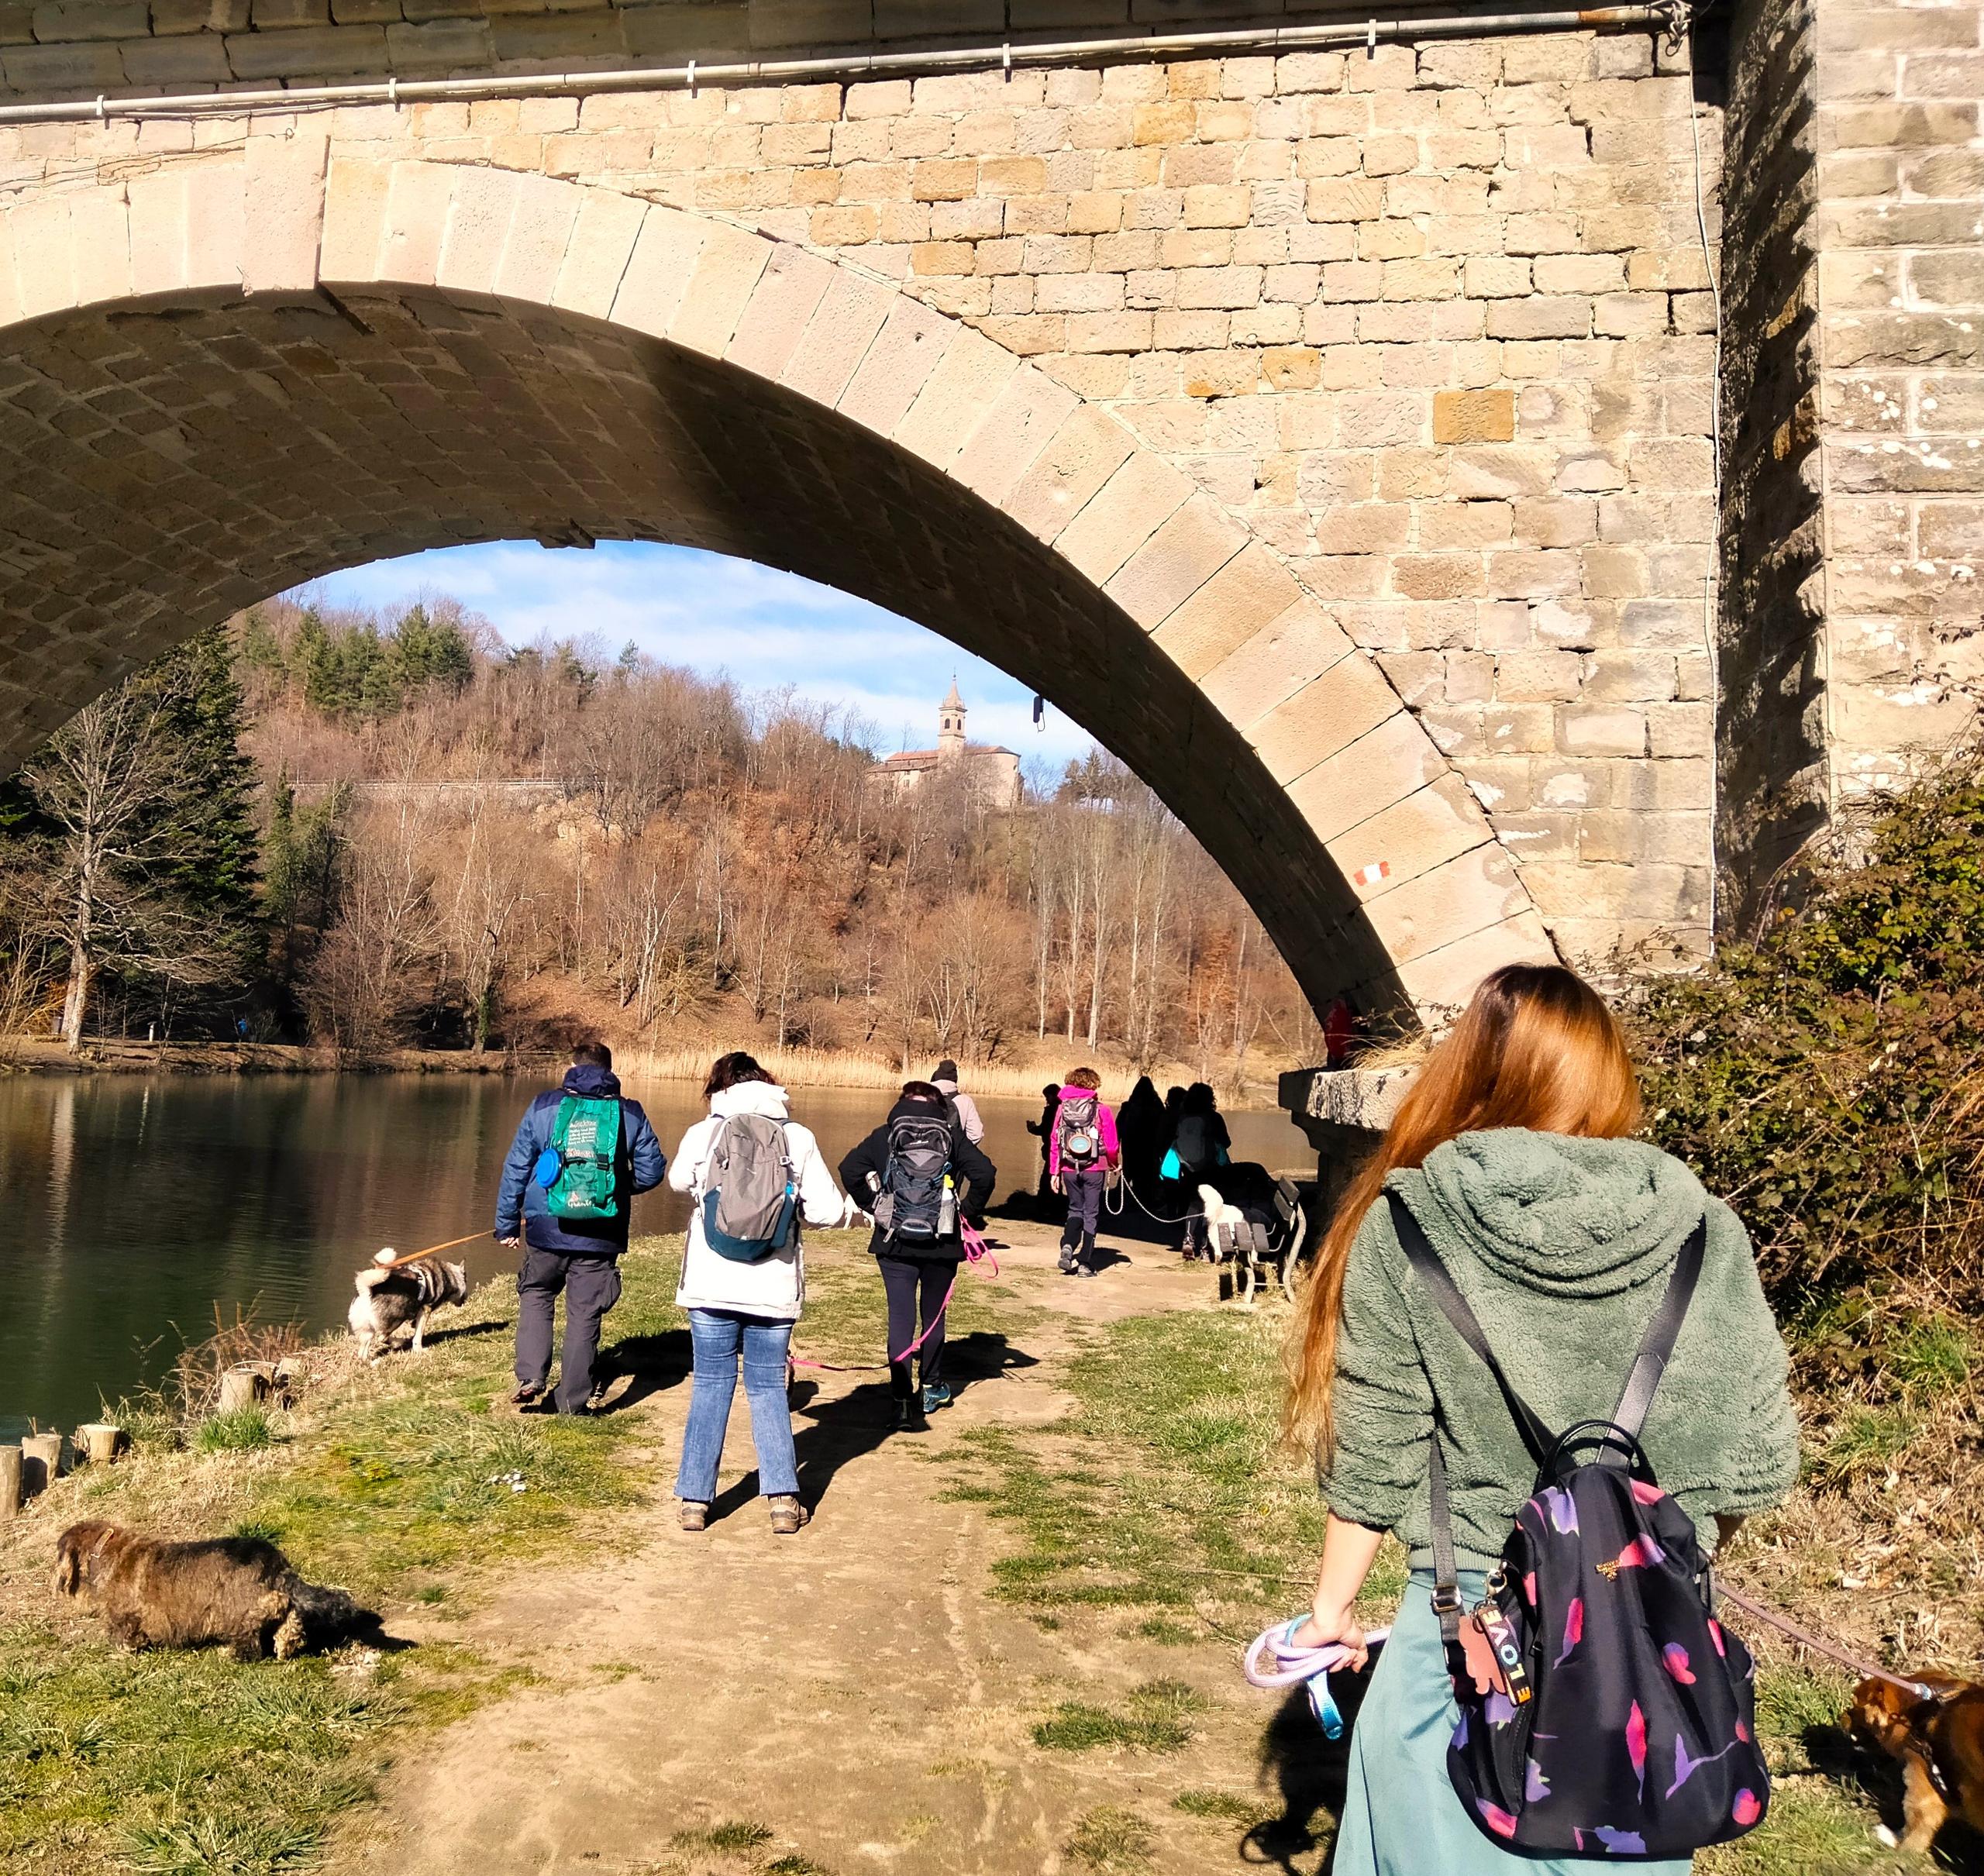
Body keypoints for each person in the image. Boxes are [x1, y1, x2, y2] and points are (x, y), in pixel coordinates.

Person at [1283, 964, 1800, 1876]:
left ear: (1466, 1074)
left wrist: (1328, 1613)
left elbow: (1378, 1456)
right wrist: (1642, 1571)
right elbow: (1750, 1462)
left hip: (1461, 1640)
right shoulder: (1705, 1230)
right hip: (1641, 1674)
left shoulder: (1409, 1224)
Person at [668, 1052, 842, 1534]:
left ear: (718, 1088)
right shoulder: (797, 1136)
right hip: (773, 1286)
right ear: (769, 1085)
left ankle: (694, 1502)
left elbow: (678, 1181)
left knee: (709, 1386)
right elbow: (826, 1211)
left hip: (710, 1285)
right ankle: (784, 1501)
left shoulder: (704, 1133)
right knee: (767, 1388)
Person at [496, 1040, 666, 1416]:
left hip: (546, 1224)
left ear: (572, 1066)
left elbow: (517, 1169)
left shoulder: (544, 1106)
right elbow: (653, 1170)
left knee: (537, 1293)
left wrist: (507, 1223)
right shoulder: (630, 1112)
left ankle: (531, 1377)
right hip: (600, 1231)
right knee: (584, 1312)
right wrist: (615, 1190)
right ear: (610, 1068)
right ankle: (572, 1401)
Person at [839, 1081, 996, 1429]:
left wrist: (875, 1206)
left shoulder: (886, 1134)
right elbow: (985, 1174)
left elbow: (849, 1170)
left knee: (901, 1317)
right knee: (933, 1317)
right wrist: (964, 1211)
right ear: (940, 1107)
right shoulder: (951, 1135)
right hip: (942, 1241)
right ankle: (930, 1388)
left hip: (894, 1240)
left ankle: (900, 1399)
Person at [1047, 1067, 1119, 1279]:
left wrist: (1054, 1171)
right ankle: (1085, 1264)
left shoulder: (1061, 1109)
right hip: (1095, 1168)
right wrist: (1114, 1164)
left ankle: (1068, 1246)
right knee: (1091, 1214)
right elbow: (1112, 1145)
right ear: (1093, 1084)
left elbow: (1055, 1140)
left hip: (1069, 1167)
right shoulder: (1102, 1110)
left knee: (1074, 1210)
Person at [1169, 1081, 1231, 1259]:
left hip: (1187, 1167)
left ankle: (1188, 1238)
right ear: (1210, 1099)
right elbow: (1226, 1142)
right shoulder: (1214, 1118)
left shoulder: (1181, 1117)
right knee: (1209, 1204)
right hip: (1210, 1166)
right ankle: (1205, 1247)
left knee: (1193, 1203)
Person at [929, 1058, 985, 1145]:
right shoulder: (965, 1101)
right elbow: (976, 1134)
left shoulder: (920, 1097)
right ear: (955, 1080)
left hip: (924, 1154)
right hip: (953, 1154)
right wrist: (960, 1149)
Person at [1027, 1081, 1061, 1213]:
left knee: (1047, 1178)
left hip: (1052, 1150)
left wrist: (1033, 1129)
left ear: (1052, 1096)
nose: (1046, 1100)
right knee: (1057, 1177)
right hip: (1064, 1150)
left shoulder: (1051, 1110)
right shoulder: (1066, 1108)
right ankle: (1055, 1203)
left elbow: (1046, 1129)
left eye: (1047, 1097)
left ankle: (1046, 1206)